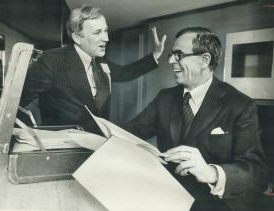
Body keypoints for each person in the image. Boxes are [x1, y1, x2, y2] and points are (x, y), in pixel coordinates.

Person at [125, 27, 267, 211]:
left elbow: (257, 173)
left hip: (214, 204)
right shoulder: (165, 98)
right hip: (167, 197)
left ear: (204, 60)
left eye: (178, 55)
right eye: (171, 54)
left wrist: (211, 172)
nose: (170, 61)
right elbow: (131, 131)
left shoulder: (240, 105)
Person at [20, 5, 166, 132]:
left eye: (105, 31)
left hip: (97, 143)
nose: (106, 38)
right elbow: (16, 102)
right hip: (64, 151)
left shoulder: (101, 62)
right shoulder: (51, 60)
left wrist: (155, 55)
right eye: (97, 33)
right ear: (77, 38)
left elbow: (126, 73)